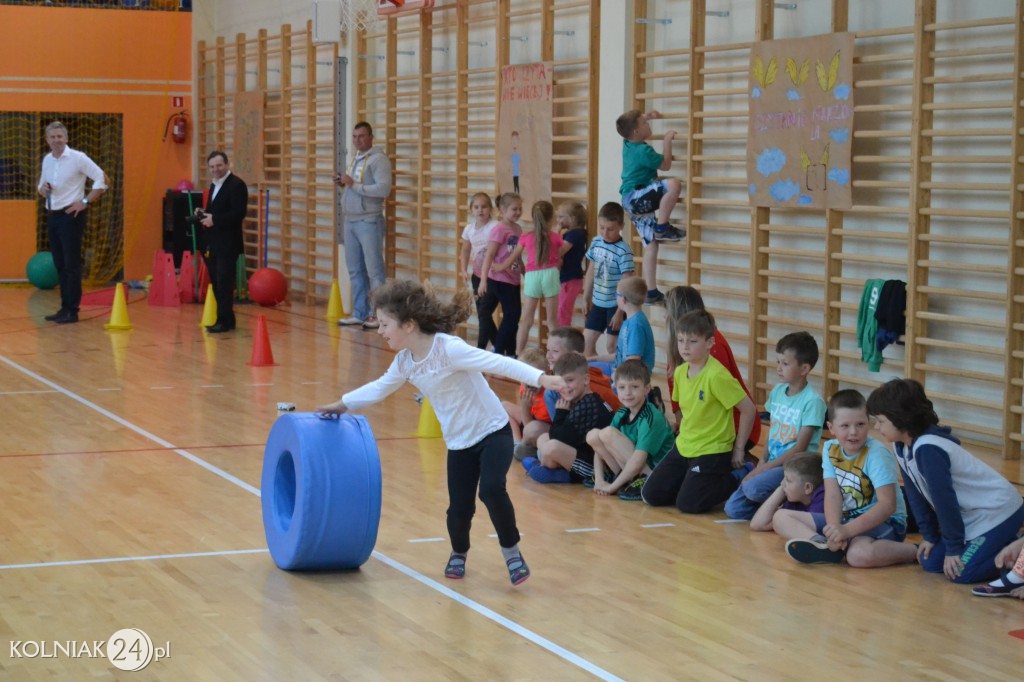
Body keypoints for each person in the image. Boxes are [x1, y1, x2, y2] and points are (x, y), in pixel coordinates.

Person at [316, 279, 564, 586]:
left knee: (491, 490)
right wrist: (342, 404)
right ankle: (459, 552)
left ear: (408, 325)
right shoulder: (405, 362)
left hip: (493, 432)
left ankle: (511, 551)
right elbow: (379, 388)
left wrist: (541, 378)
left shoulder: (449, 349)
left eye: (384, 324)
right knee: (459, 509)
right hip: (459, 442)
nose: (379, 331)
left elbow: (498, 362)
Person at [867, 378, 1024, 584]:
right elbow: (916, 497)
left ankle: (1018, 552)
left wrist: (953, 547)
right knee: (929, 562)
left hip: (998, 512)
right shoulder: (901, 446)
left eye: (881, 421)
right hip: (972, 518)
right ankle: (1002, 544)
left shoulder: (929, 449)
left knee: (961, 573)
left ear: (900, 418)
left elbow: (944, 501)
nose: (877, 427)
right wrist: (930, 536)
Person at [774, 390, 918, 567]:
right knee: (780, 517)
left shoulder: (877, 454)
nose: (853, 432)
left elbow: (887, 506)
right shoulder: (829, 449)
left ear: (869, 424)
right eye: (845, 426)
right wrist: (834, 530)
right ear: (831, 428)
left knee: (858, 556)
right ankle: (822, 544)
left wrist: (846, 530)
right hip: (846, 521)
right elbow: (833, 495)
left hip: (885, 523)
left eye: (860, 424)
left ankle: (916, 551)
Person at [641, 310, 756, 513]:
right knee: (652, 495)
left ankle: (737, 476)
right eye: (681, 340)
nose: (685, 347)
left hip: (713, 449)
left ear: (710, 343)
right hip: (686, 445)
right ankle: (694, 481)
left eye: (692, 341)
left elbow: (748, 409)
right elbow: (685, 410)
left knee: (688, 504)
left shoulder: (717, 375)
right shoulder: (679, 372)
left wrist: (738, 449)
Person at [724, 332, 826, 519]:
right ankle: (771, 500)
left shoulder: (813, 402)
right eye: (778, 362)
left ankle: (784, 502)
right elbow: (773, 432)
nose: (778, 368)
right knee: (733, 509)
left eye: (785, 364)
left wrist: (764, 469)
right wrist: (762, 461)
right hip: (772, 463)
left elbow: (799, 449)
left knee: (753, 488)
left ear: (804, 369)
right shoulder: (778, 391)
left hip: (795, 468)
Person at [663, 286, 761, 449]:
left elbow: (725, 405)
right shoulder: (682, 346)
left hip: (731, 430)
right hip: (700, 432)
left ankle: (742, 469)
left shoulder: (711, 349)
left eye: (667, 311)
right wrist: (683, 429)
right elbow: (676, 395)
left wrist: (737, 449)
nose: (665, 316)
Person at [37, 121, 108, 325]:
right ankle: (64, 307)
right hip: (52, 215)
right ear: (47, 140)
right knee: (59, 264)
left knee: (71, 264)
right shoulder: (47, 160)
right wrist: (44, 189)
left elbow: (101, 179)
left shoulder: (78, 158)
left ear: (66, 138)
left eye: (60, 137)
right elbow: (40, 185)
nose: (57, 140)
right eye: (53, 137)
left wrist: (84, 201)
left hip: (70, 216)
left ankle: (72, 310)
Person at [616, 109, 685, 305]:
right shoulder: (643, 151)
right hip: (635, 197)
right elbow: (665, 165)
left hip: (630, 201)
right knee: (673, 184)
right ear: (637, 132)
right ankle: (662, 226)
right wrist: (667, 140)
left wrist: (644, 117)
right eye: (645, 124)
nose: (648, 126)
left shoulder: (627, 143)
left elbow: (632, 127)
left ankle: (651, 291)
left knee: (651, 245)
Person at [586, 359, 674, 501]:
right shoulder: (622, 412)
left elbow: (639, 459)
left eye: (634, 387)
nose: (627, 393)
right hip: (632, 467)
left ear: (646, 389)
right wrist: (599, 480)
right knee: (593, 435)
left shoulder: (651, 417)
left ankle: (641, 481)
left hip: (655, 473)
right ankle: (626, 480)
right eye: (622, 387)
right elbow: (599, 447)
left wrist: (612, 487)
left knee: (607, 433)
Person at [524, 351, 614, 484]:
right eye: (560, 382)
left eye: (570, 380)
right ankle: (553, 470)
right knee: (543, 438)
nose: (565, 386)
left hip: (596, 469)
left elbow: (559, 439)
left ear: (586, 379)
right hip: (581, 454)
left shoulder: (588, 405)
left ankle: (556, 472)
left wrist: (561, 412)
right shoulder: (583, 400)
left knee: (551, 447)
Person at [336, 121, 393, 330]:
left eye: (361, 136)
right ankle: (360, 312)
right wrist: (345, 184)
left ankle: (378, 315)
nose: (357, 140)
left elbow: (383, 189)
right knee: (354, 269)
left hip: (369, 220)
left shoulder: (379, 160)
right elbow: (357, 185)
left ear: (371, 137)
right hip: (350, 219)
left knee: (374, 271)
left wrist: (354, 185)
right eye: (354, 137)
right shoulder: (356, 159)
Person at [497, 200, 569, 356]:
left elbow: (514, 257)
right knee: (552, 321)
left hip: (532, 276)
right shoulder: (555, 237)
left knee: (527, 320)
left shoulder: (526, 237)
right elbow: (559, 251)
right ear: (551, 219)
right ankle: (557, 356)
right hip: (550, 274)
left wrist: (500, 267)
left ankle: (518, 353)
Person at [537, 326, 622, 437]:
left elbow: (560, 436)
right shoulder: (577, 375)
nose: (548, 356)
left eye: (555, 351)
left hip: (601, 438)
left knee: (548, 441)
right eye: (548, 350)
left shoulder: (589, 390)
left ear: (574, 355)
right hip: (577, 431)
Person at [198, 151, 248, 333]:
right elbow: (215, 210)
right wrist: (203, 213)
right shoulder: (214, 185)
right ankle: (226, 319)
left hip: (228, 243)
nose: (215, 170)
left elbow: (238, 213)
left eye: (219, 166)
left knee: (224, 282)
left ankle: (224, 321)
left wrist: (215, 220)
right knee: (217, 283)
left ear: (227, 164)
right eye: (212, 167)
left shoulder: (236, 185)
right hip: (214, 242)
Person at [582, 202, 635, 358]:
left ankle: (618, 380)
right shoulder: (596, 242)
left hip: (615, 305)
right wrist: (586, 297)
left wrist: (620, 312)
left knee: (612, 347)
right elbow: (591, 271)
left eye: (610, 229)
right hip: (598, 303)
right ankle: (598, 379)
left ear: (621, 226)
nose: (605, 233)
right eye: (602, 227)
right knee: (586, 344)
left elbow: (627, 283)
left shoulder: (623, 251)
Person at [478, 193, 524, 356]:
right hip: (499, 279)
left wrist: (524, 272)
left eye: (520, 209)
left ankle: (510, 352)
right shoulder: (499, 229)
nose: (518, 212)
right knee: (511, 316)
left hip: (513, 279)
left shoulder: (518, 229)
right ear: (503, 210)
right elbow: (489, 255)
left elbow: (516, 254)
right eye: (514, 209)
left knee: (513, 317)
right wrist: (483, 280)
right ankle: (497, 350)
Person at [589, 275, 655, 376]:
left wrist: (617, 376)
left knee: (587, 375)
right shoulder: (630, 321)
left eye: (616, 294)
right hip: (621, 369)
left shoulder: (635, 325)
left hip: (630, 377)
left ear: (623, 299)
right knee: (585, 367)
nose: (616, 297)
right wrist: (590, 359)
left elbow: (633, 362)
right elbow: (620, 356)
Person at [459, 192, 499, 349]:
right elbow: (465, 250)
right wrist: (463, 270)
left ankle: (481, 348)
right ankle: (497, 344)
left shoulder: (494, 227)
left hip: (493, 277)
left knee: (484, 313)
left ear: (490, 209)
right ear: (471, 210)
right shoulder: (469, 229)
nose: (480, 210)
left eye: (484, 206)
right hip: (477, 276)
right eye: (476, 207)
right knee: (483, 314)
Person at [749, 452, 826, 533]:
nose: (782, 483)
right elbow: (757, 524)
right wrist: (780, 490)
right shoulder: (795, 501)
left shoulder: (823, 498)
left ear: (807, 488)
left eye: (788, 480)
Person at [501, 347, 551, 449]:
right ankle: (517, 443)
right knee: (504, 406)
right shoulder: (524, 388)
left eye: (535, 376)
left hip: (541, 430)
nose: (530, 381)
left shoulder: (548, 394)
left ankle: (525, 445)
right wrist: (525, 407)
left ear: (548, 374)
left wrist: (524, 407)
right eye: (525, 376)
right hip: (529, 422)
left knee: (532, 429)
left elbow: (529, 427)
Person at [555, 201, 588, 327]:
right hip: (567, 278)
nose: (558, 220)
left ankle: (563, 339)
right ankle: (562, 337)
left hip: (571, 278)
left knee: (563, 311)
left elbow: (558, 251)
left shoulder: (576, 234)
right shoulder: (571, 234)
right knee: (562, 310)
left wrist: (557, 233)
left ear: (572, 219)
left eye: (561, 216)